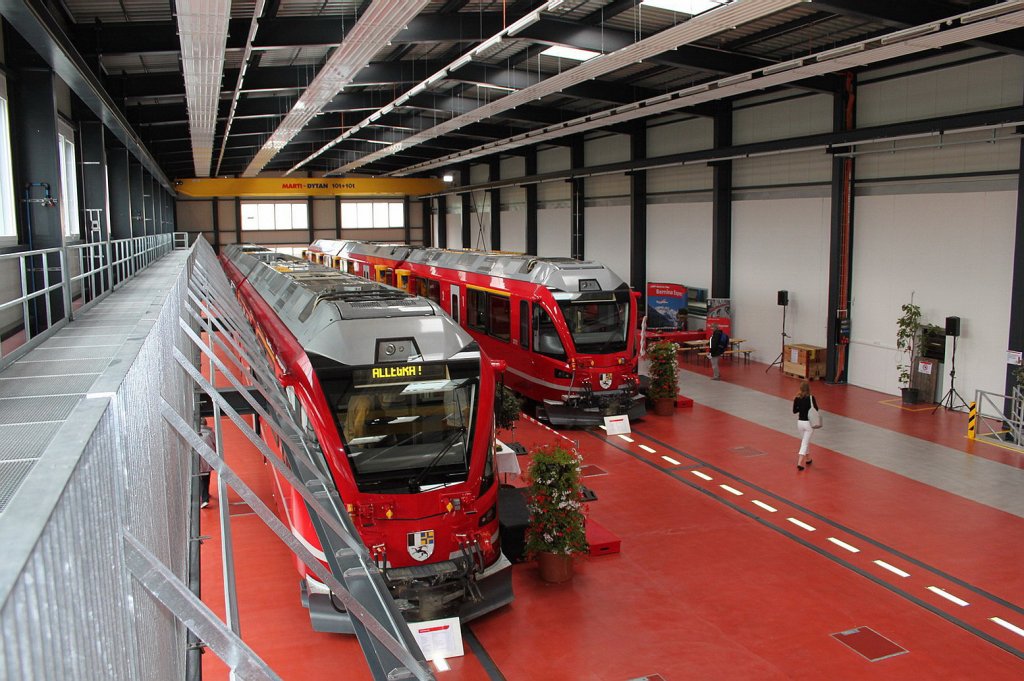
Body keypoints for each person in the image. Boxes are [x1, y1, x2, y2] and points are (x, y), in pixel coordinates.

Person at [792, 381, 818, 471]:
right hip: (808, 424)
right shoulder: (811, 398)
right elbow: (816, 409)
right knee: (804, 443)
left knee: (805, 441)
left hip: (800, 423)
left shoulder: (797, 398)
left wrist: (800, 408)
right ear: (808, 389)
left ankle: (808, 459)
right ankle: (799, 462)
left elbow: (794, 411)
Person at [198, 424, 215, 508]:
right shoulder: (210, 433)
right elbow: (215, 444)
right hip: (208, 459)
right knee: (206, 478)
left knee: (200, 479)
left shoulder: (194, 432)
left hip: (198, 460)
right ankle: (205, 496)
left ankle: (204, 499)